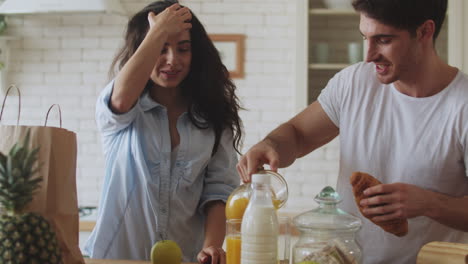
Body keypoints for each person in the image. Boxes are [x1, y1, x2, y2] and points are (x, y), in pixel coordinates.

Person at [237, 0, 468, 263]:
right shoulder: (354, 83)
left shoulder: (462, 106)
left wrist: (429, 203)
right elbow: (298, 134)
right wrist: (271, 145)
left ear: (425, 32)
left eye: (383, 40)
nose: (368, 55)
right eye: (365, 38)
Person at [84, 1, 243, 263]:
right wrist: (158, 30)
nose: (172, 61)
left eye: (183, 49)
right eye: (161, 48)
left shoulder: (213, 116)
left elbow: (219, 190)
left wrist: (211, 247)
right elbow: (121, 100)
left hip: (185, 258)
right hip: (113, 258)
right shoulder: (122, 109)